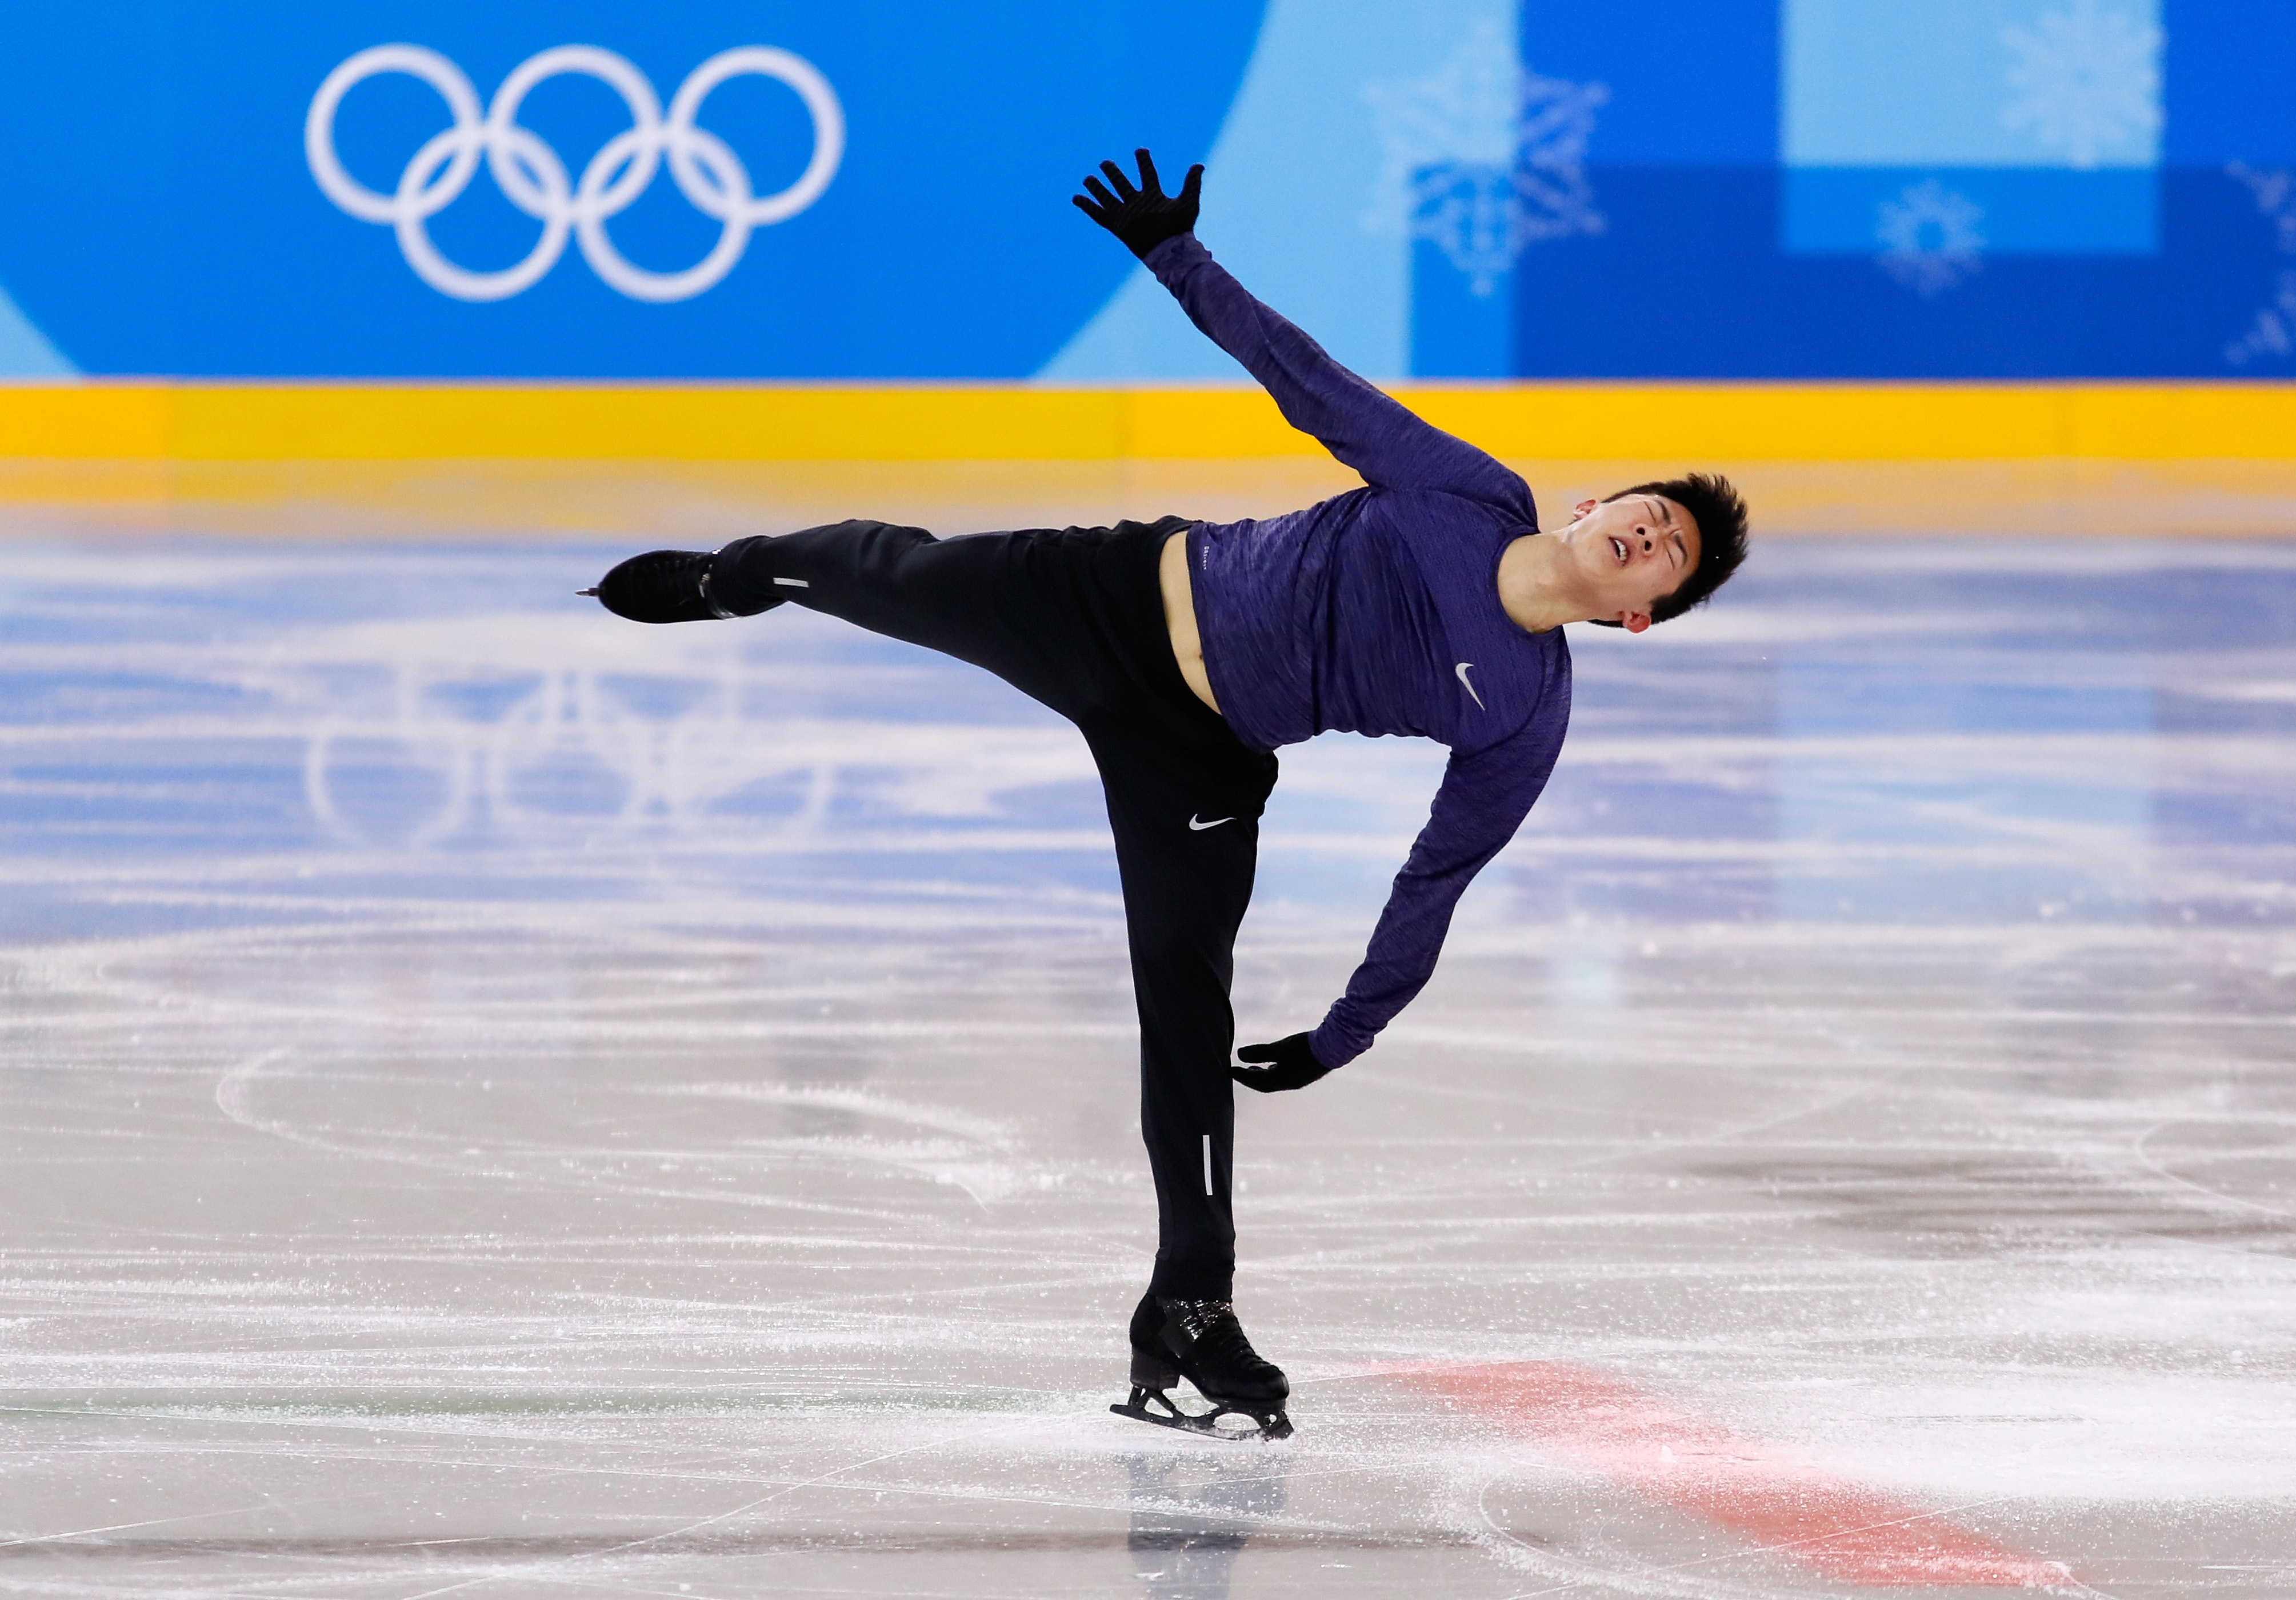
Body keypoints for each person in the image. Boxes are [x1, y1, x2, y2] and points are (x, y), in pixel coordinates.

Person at [581, 150, 1748, 1441]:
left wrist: (1341, 1033)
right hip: (1115, 599)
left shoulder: (1526, 709)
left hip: (1197, 755)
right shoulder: (1472, 495)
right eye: (1650, 513)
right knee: (879, 569)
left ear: (1641, 612)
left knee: (1184, 1000)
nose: (1648, 535)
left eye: (1670, 557)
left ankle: (1189, 1304)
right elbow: (1313, 387)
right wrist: (1176, 257)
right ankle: (729, 580)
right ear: (1601, 503)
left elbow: (1436, 879)